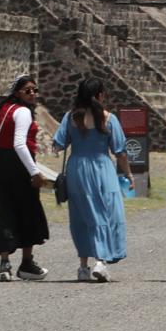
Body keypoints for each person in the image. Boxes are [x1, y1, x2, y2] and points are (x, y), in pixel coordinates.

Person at [54, 78, 131, 283]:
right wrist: (129, 174)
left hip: (77, 168)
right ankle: (101, 260)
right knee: (105, 212)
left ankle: (82, 266)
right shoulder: (108, 119)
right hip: (101, 167)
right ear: (100, 95)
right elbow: (120, 152)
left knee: (80, 215)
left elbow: (58, 144)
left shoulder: (71, 118)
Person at [0, 74, 51, 281]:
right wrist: (34, 171)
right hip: (18, 166)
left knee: (6, 211)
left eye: (35, 90)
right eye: (28, 90)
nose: (33, 93)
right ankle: (26, 263)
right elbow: (19, 144)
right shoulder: (23, 112)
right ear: (18, 92)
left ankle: (5, 263)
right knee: (29, 211)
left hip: (1, 164)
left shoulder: (6, 109)